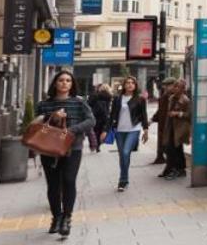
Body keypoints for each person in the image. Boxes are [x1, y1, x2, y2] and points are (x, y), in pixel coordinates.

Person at [36, 70, 95, 237]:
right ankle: (56, 217)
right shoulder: (44, 104)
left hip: (72, 148)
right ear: (55, 83)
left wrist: (70, 131)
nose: (64, 83)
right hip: (49, 149)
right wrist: (52, 117)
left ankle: (67, 218)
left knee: (69, 181)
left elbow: (91, 121)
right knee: (53, 185)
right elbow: (36, 124)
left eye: (68, 80)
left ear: (72, 84)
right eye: (61, 80)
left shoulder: (79, 103)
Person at [109, 75, 149, 191]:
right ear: (124, 85)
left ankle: (122, 180)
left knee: (126, 152)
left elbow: (144, 115)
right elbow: (112, 115)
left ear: (135, 85)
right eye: (128, 82)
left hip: (134, 129)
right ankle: (125, 180)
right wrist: (106, 130)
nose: (130, 84)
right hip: (119, 130)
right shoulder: (117, 98)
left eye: (132, 83)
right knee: (122, 156)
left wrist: (145, 130)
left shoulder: (140, 99)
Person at [161, 78, 192, 180]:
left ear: (182, 89)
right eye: (174, 86)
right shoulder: (171, 98)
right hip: (170, 127)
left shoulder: (186, 100)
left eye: (177, 86)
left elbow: (190, 115)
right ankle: (177, 170)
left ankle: (177, 170)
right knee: (171, 149)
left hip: (180, 128)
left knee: (176, 149)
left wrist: (178, 113)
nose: (175, 88)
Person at [150, 79, 174, 166]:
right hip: (164, 125)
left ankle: (173, 168)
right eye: (165, 85)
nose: (165, 87)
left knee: (171, 148)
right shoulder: (164, 96)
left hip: (171, 126)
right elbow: (160, 111)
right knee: (165, 147)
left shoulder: (175, 96)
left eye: (168, 85)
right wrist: (152, 119)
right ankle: (168, 166)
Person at [87, 84, 112, 153]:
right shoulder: (109, 95)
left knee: (94, 131)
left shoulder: (95, 95)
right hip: (104, 115)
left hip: (95, 115)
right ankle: (97, 145)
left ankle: (93, 144)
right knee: (100, 131)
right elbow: (109, 106)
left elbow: (89, 103)